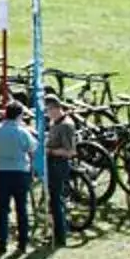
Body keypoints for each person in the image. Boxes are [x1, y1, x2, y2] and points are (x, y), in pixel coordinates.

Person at [0, 100, 40, 251]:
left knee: (3, 208)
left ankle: (2, 241)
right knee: (21, 208)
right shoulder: (23, 132)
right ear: (19, 116)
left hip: (1, 172)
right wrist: (33, 169)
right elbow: (32, 150)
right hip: (21, 172)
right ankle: (23, 241)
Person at [46, 101, 83, 247]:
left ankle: (60, 235)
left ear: (55, 109)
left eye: (48, 110)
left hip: (59, 164)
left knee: (56, 200)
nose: (47, 113)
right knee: (52, 200)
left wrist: (51, 151)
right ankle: (55, 230)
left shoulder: (66, 125)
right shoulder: (54, 122)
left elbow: (70, 151)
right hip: (52, 164)